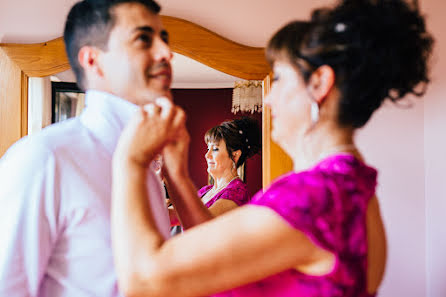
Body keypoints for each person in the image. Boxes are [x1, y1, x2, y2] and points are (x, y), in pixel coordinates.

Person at [111, 0, 434, 296]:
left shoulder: (313, 198)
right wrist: (178, 175)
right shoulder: (352, 187)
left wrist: (131, 159)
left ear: (319, 83)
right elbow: (214, 241)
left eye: (278, 79)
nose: (267, 97)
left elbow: (144, 282)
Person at [0, 0, 173, 296]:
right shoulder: (44, 158)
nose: (166, 53)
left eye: (164, 39)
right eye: (143, 39)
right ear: (93, 60)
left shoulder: (149, 171)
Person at [169, 117, 261, 228]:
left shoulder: (237, 193)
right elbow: (174, 216)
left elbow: (199, 224)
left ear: (235, 155)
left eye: (215, 149)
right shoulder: (205, 191)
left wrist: (178, 175)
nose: (207, 155)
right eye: (208, 148)